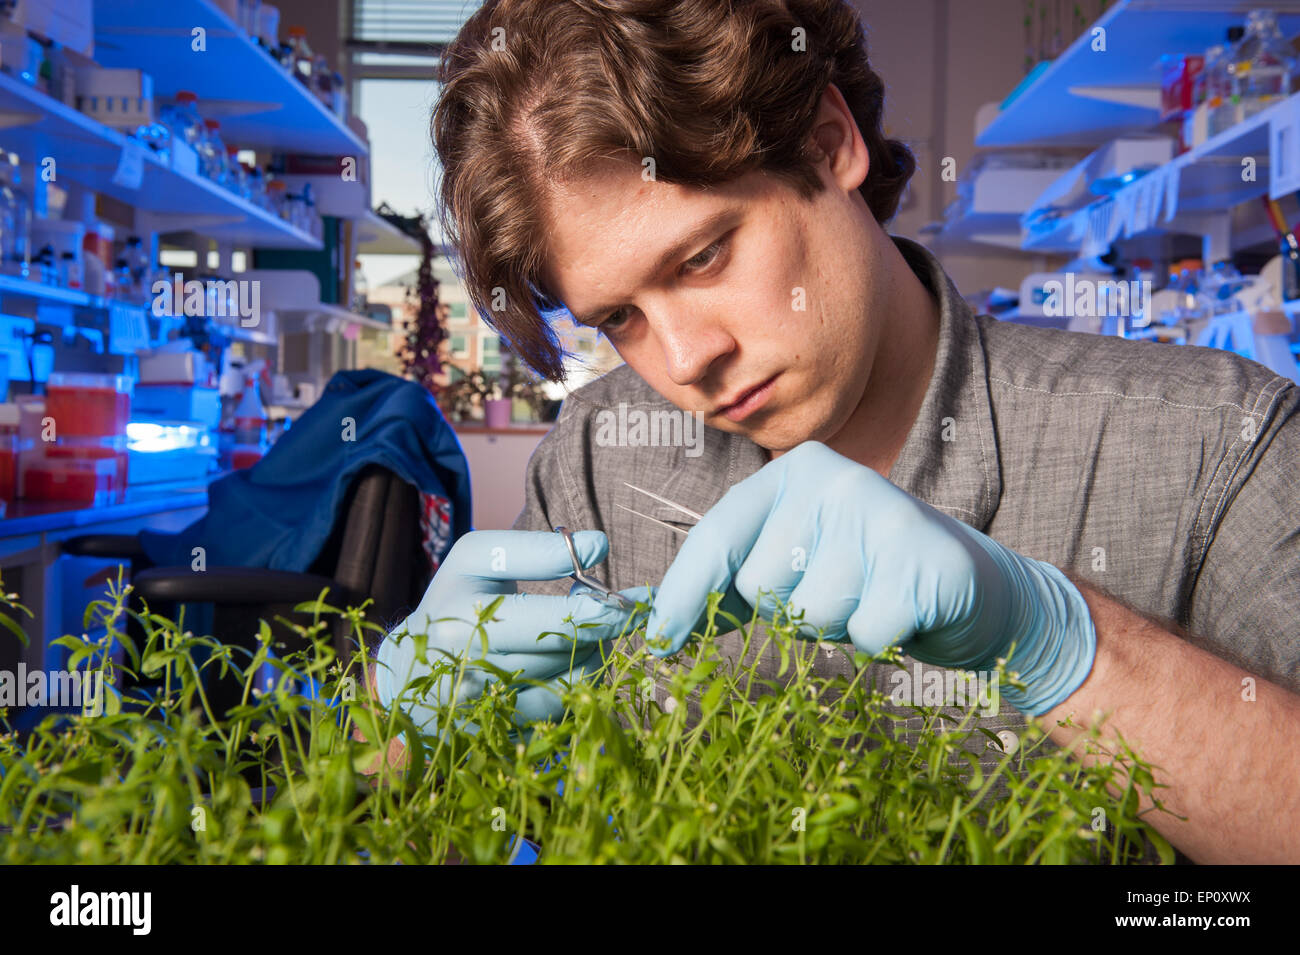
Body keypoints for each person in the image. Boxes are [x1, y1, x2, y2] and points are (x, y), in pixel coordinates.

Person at [365, 0, 1300, 863]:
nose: (686, 358)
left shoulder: (1215, 445)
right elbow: (469, 818)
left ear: (828, 142)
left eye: (703, 255)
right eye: (619, 318)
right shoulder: (599, 456)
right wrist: (397, 733)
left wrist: (1056, 639)